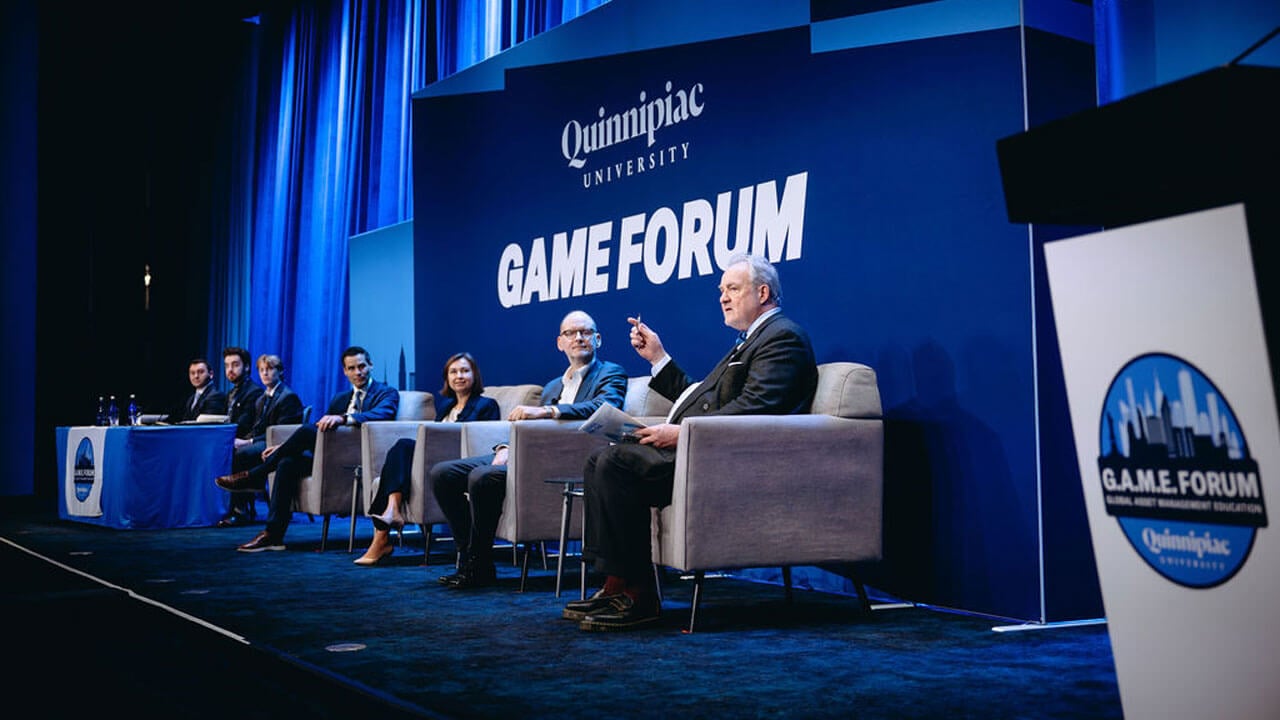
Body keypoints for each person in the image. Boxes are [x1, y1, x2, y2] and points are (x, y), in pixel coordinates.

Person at [564, 253, 817, 631]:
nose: (723, 297)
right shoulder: (749, 341)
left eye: (732, 288)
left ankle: (639, 596)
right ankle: (615, 583)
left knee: (617, 465)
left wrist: (682, 433)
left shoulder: (782, 337)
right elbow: (703, 398)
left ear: (762, 292)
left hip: (726, 459)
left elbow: (758, 407)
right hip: (705, 449)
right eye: (721, 291)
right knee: (602, 459)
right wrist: (658, 357)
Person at [428, 310, 627, 588]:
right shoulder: (553, 386)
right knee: (443, 473)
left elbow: (605, 407)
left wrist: (547, 411)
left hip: (570, 460)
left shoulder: (611, 373)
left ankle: (478, 563)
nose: (579, 338)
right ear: (560, 342)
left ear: (598, 339)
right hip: (530, 452)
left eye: (585, 332)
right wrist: (506, 446)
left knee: (484, 477)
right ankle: (469, 555)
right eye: (571, 333)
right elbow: (531, 429)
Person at [215, 346, 399, 552]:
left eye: (362, 366)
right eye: (352, 368)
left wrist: (344, 418)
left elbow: (383, 414)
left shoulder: (386, 393)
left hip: (359, 458)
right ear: (345, 371)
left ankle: (254, 475)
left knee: (308, 431)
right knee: (287, 462)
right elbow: (323, 431)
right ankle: (273, 535)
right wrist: (284, 448)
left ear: (370, 365)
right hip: (330, 457)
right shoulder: (340, 398)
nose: (358, 372)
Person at [354, 352, 500, 566]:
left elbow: (484, 440)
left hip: (459, 462)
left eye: (464, 371)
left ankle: (384, 533)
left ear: (474, 375)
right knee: (399, 453)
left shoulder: (486, 405)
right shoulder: (446, 407)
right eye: (453, 372)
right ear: (447, 378)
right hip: (435, 459)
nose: (459, 376)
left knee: (403, 447)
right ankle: (389, 517)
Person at [216, 353, 305, 528]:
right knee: (232, 449)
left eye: (270, 369)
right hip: (263, 440)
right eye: (262, 370)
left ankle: (240, 510)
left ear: (279, 371)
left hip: (279, 444)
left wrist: (248, 443)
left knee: (242, 453)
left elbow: (281, 432)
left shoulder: (288, 397)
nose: (265, 374)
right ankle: (233, 503)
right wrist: (246, 439)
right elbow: (258, 427)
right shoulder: (262, 398)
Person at [215, 346, 263, 526]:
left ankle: (238, 510)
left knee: (235, 453)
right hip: (229, 438)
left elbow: (243, 424)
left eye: (235, 365)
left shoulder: (253, 392)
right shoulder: (231, 393)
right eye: (227, 365)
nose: (230, 370)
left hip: (247, 441)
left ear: (247, 367)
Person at [166, 358, 228, 422]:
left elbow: (205, 424)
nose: (196, 376)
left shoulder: (216, 396)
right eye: (192, 373)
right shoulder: (191, 398)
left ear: (211, 374)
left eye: (201, 372)